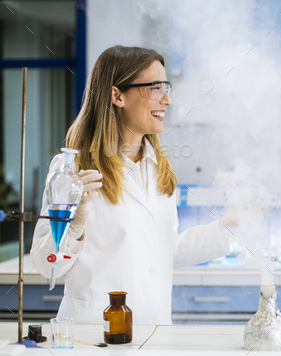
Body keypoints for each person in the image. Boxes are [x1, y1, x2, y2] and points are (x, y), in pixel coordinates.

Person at [31, 46, 238, 325]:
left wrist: (229, 225)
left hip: (153, 331)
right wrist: (75, 224)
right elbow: (48, 265)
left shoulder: (158, 168)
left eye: (167, 87)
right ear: (117, 96)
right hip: (93, 335)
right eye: (155, 88)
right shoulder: (72, 170)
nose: (167, 100)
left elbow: (163, 251)